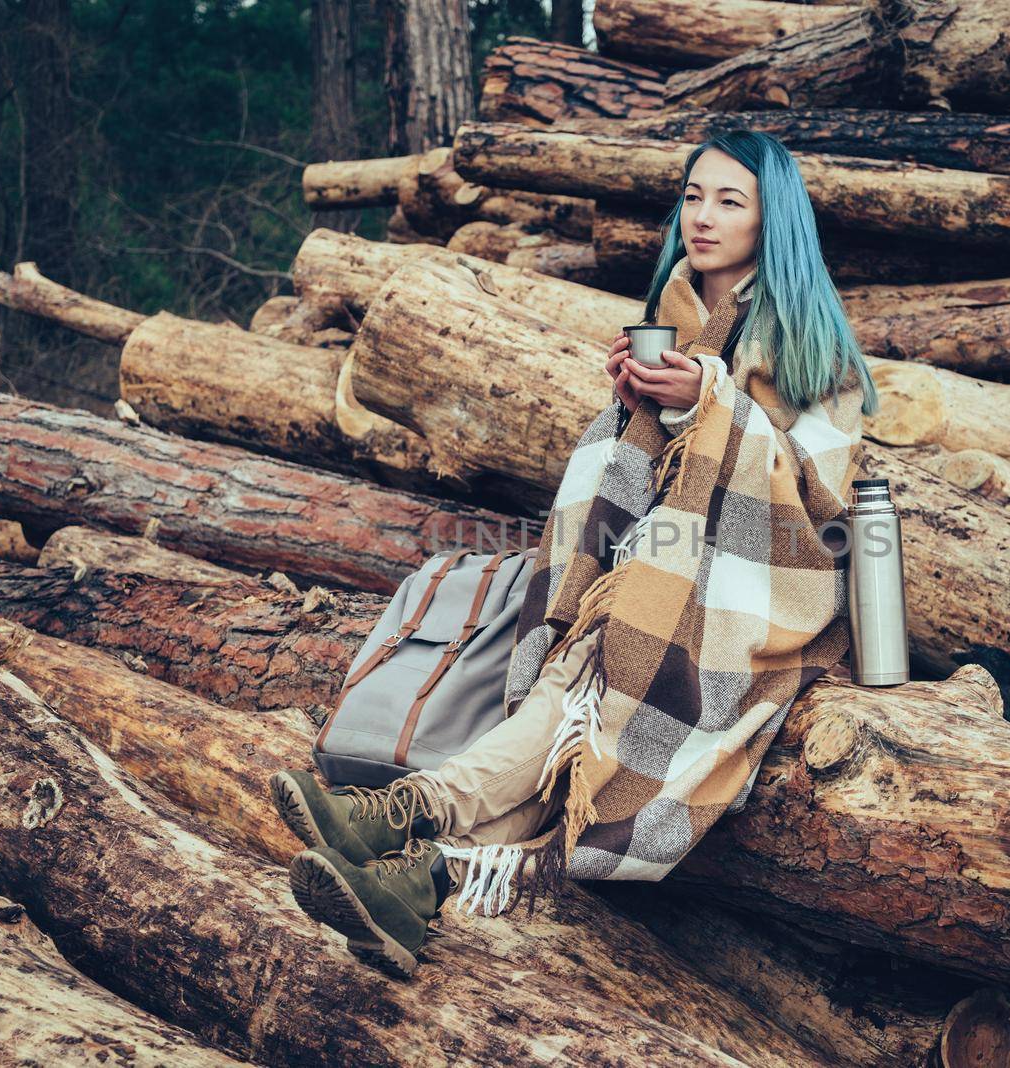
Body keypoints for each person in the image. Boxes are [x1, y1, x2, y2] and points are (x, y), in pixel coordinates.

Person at [269, 129, 880, 977]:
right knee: (585, 688)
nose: (702, 217)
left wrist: (715, 401)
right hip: (647, 576)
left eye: (729, 201)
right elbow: (642, 483)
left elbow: (819, 502)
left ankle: (401, 813)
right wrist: (634, 409)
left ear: (773, 222)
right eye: (693, 196)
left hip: (756, 608)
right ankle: (419, 885)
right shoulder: (672, 318)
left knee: (584, 681)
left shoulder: (818, 351)